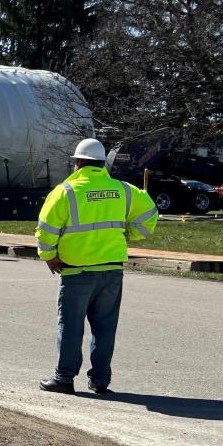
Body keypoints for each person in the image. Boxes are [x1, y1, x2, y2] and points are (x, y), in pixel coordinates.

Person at [35, 138, 158, 395]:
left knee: (70, 326)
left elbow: (46, 228)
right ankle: (100, 380)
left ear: (78, 162)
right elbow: (149, 214)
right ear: (103, 163)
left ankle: (64, 378)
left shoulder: (65, 191)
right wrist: (130, 233)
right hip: (111, 271)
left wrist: (48, 255)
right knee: (105, 327)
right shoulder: (124, 190)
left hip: (77, 271)